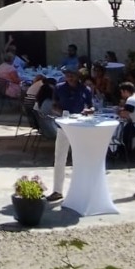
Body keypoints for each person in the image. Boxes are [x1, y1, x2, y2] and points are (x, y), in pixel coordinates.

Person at [47, 67, 95, 200]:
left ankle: (79, 191)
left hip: (79, 127)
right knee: (59, 158)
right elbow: (54, 105)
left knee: (79, 158)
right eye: (67, 75)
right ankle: (57, 190)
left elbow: (91, 106)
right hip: (63, 126)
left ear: (78, 76)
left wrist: (89, 110)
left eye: (72, 75)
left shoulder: (85, 89)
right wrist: (60, 112)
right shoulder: (59, 88)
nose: (70, 77)